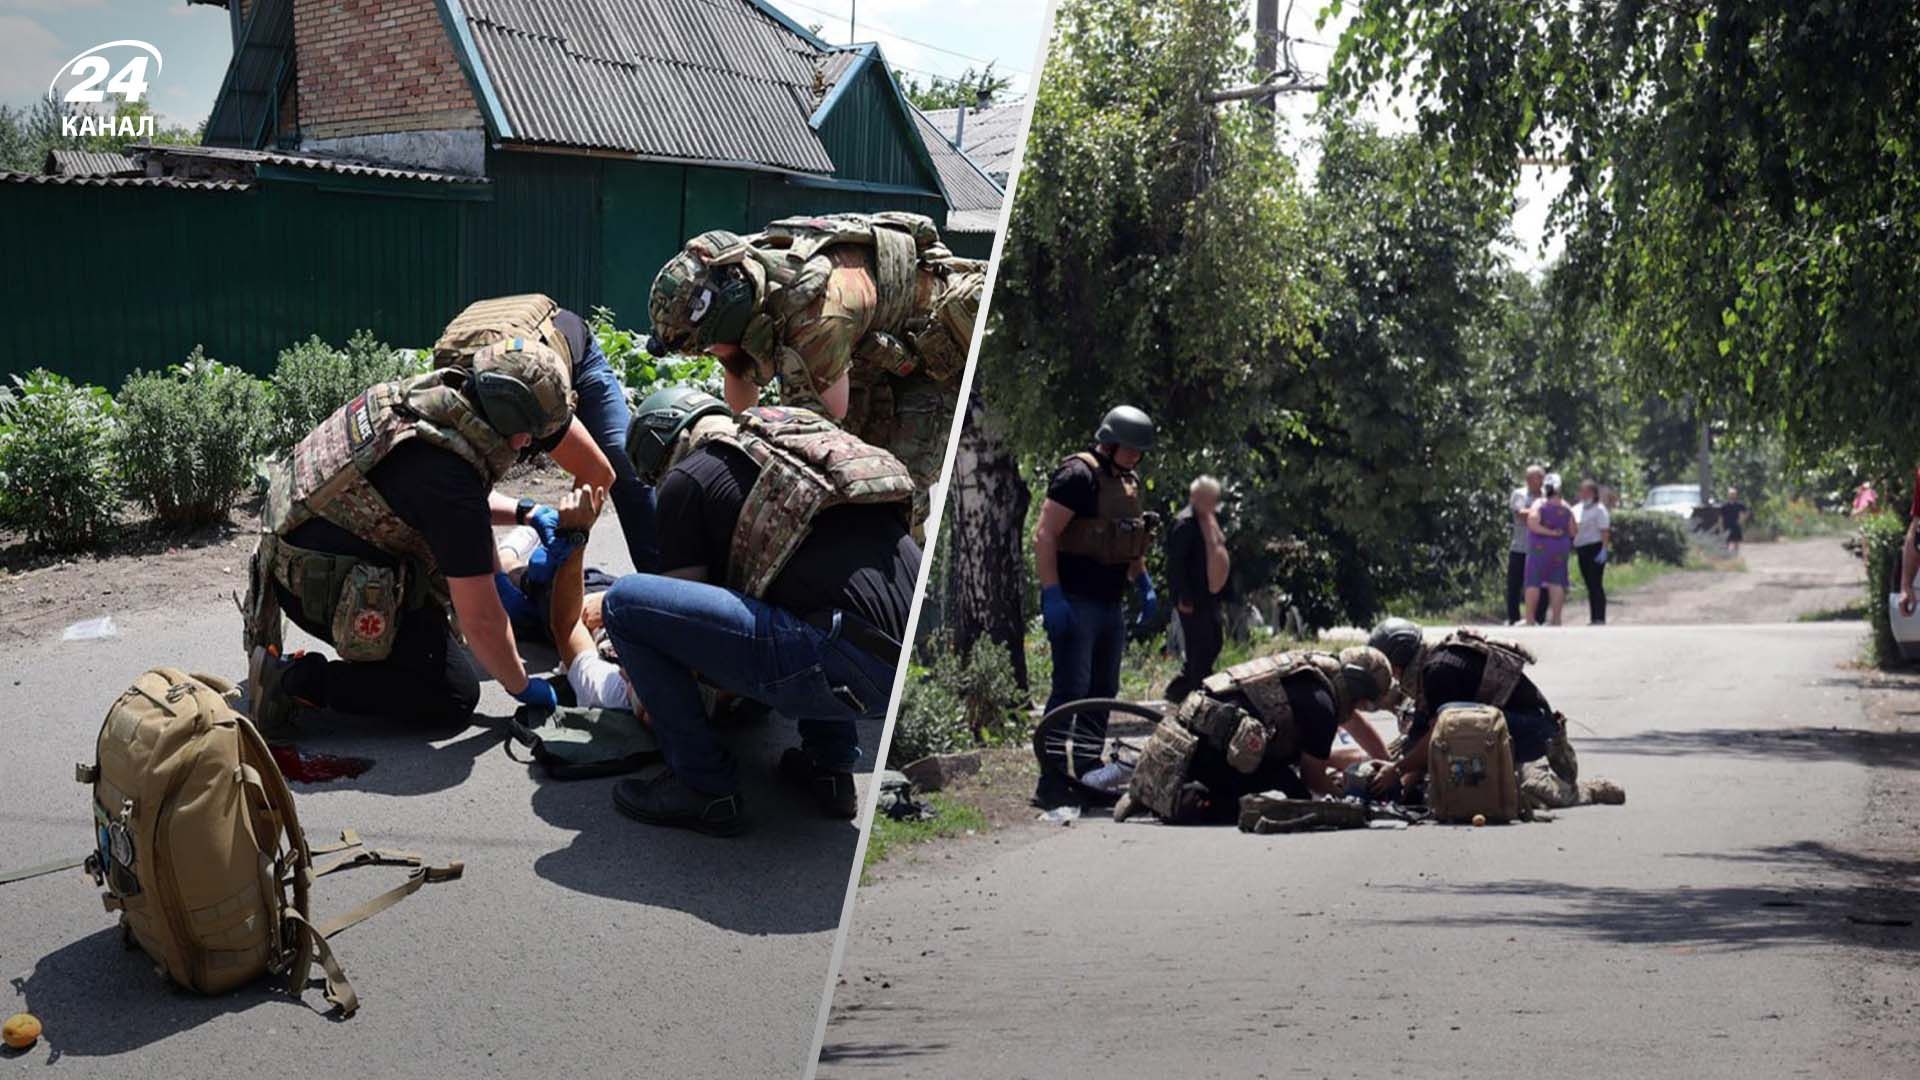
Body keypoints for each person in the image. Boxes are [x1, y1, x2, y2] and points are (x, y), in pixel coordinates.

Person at [598, 388, 920, 836]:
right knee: (811, 594)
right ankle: (829, 770)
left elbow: (688, 643)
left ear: (659, 450)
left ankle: (703, 787)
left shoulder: (685, 480)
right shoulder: (787, 453)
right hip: (913, 660)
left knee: (626, 604)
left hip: (842, 664)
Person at [243, 339, 578, 731]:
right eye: (531, 433)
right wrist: (522, 687)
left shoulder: (425, 407)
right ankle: (290, 683)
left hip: (300, 549)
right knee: (451, 694)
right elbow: (482, 618)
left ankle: (373, 659)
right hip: (316, 586)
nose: (528, 444)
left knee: (436, 637)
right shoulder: (448, 478)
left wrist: (526, 511)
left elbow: (427, 498)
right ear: (514, 423)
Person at [645, 214, 986, 532]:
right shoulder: (739, 274)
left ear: (729, 321)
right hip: (870, 352)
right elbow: (741, 397)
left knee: (890, 487)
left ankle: (902, 577)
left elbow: (816, 428)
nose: (710, 355)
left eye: (709, 347)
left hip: (930, 354)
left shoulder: (815, 317)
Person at [434, 295, 660, 571]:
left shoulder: (532, 399)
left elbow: (598, 472)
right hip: (489, 346)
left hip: (558, 347)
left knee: (624, 461)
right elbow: (468, 499)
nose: (526, 445)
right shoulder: (440, 418)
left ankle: (664, 582)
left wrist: (566, 548)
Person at [1029, 405, 1161, 809]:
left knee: (1103, 690)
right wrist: (1052, 594)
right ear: (1111, 441)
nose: (1137, 457)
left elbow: (1128, 540)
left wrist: (1143, 583)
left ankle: (1088, 773)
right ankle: (1051, 780)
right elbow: (1044, 535)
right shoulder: (1077, 476)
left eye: (1141, 452)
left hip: (1109, 605)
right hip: (1074, 601)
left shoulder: (1128, 482)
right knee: (1071, 690)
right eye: (1131, 449)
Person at [1363, 618, 1623, 809]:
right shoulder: (1431, 664)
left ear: (1397, 666)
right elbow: (1419, 740)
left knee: (1524, 792)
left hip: (1530, 729)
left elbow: (1440, 735)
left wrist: (1396, 771)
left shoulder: (1438, 671)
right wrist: (1398, 790)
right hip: (1503, 723)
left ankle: (1584, 791)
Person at [1119, 647, 1397, 824]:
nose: (1362, 709)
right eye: (1367, 703)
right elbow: (1313, 779)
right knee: (1293, 801)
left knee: (1281, 774)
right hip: (1211, 751)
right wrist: (1350, 797)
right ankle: (1187, 801)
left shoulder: (1311, 674)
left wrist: (1386, 762)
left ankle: (1154, 787)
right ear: (1357, 692)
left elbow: (1349, 725)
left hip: (1194, 725)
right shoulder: (1322, 708)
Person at [1162, 475, 1231, 701]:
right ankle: (1192, 694)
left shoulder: (1209, 521)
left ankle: (1183, 688)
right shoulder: (1185, 523)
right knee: (1199, 648)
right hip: (1192, 597)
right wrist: (1183, 597)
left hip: (1209, 596)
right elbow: (1176, 565)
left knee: (1214, 642)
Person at [1524, 477, 1576, 626]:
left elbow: (1532, 522)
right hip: (1560, 548)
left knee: (1533, 580)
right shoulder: (1566, 506)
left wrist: (1549, 532)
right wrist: (1559, 533)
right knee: (1557, 581)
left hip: (1540, 548)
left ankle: (1529, 619)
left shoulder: (1539, 504)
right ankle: (1556, 619)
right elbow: (1573, 530)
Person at [1506, 465, 1549, 625]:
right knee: (1514, 585)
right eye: (1529, 478)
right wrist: (1541, 514)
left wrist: (1535, 514)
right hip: (1520, 547)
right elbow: (1519, 513)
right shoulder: (1519, 494)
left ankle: (1538, 618)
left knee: (1541, 585)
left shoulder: (1547, 496)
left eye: (1536, 478)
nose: (1531, 481)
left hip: (1541, 549)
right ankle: (1513, 618)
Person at [1573, 479, 1612, 625]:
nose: (1583, 494)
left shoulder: (1599, 509)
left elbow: (1604, 531)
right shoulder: (1577, 509)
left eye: (1587, 491)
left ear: (1593, 493)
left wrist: (1604, 549)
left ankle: (1600, 616)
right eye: (1582, 491)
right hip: (1582, 548)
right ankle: (1593, 616)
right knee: (1589, 583)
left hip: (1595, 547)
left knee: (1596, 582)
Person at [1720, 487, 1749, 555]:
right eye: (1731, 494)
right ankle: (1727, 557)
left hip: (1736, 526)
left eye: (1733, 494)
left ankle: (1736, 556)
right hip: (1726, 526)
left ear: (1736, 495)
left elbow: (1747, 512)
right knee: (1727, 543)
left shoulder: (1739, 504)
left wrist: (1742, 520)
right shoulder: (1724, 505)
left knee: (1736, 543)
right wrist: (1720, 527)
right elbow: (1720, 517)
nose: (1732, 495)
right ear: (1728, 495)